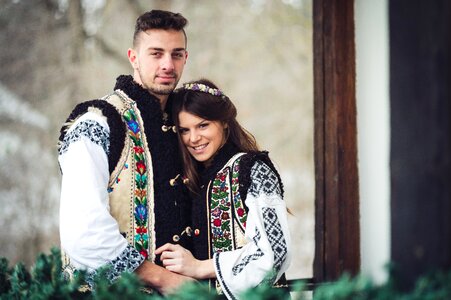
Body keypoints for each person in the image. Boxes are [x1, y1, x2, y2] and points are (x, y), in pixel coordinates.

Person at [57, 10, 194, 294]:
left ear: (185, 58)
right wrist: (164, 279)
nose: (168, 64)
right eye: (156, 53)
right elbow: (84, 229)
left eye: (176, 54)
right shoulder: (97, 122)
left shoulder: (189, 127)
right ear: (133, 57)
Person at [155, 79, 292, 299]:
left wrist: (199, 267)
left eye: (202, 125)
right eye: (184, 130)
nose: (193, 138)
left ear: (224, 122)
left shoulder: (253, 169)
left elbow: (275, 253)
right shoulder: (190, 180)